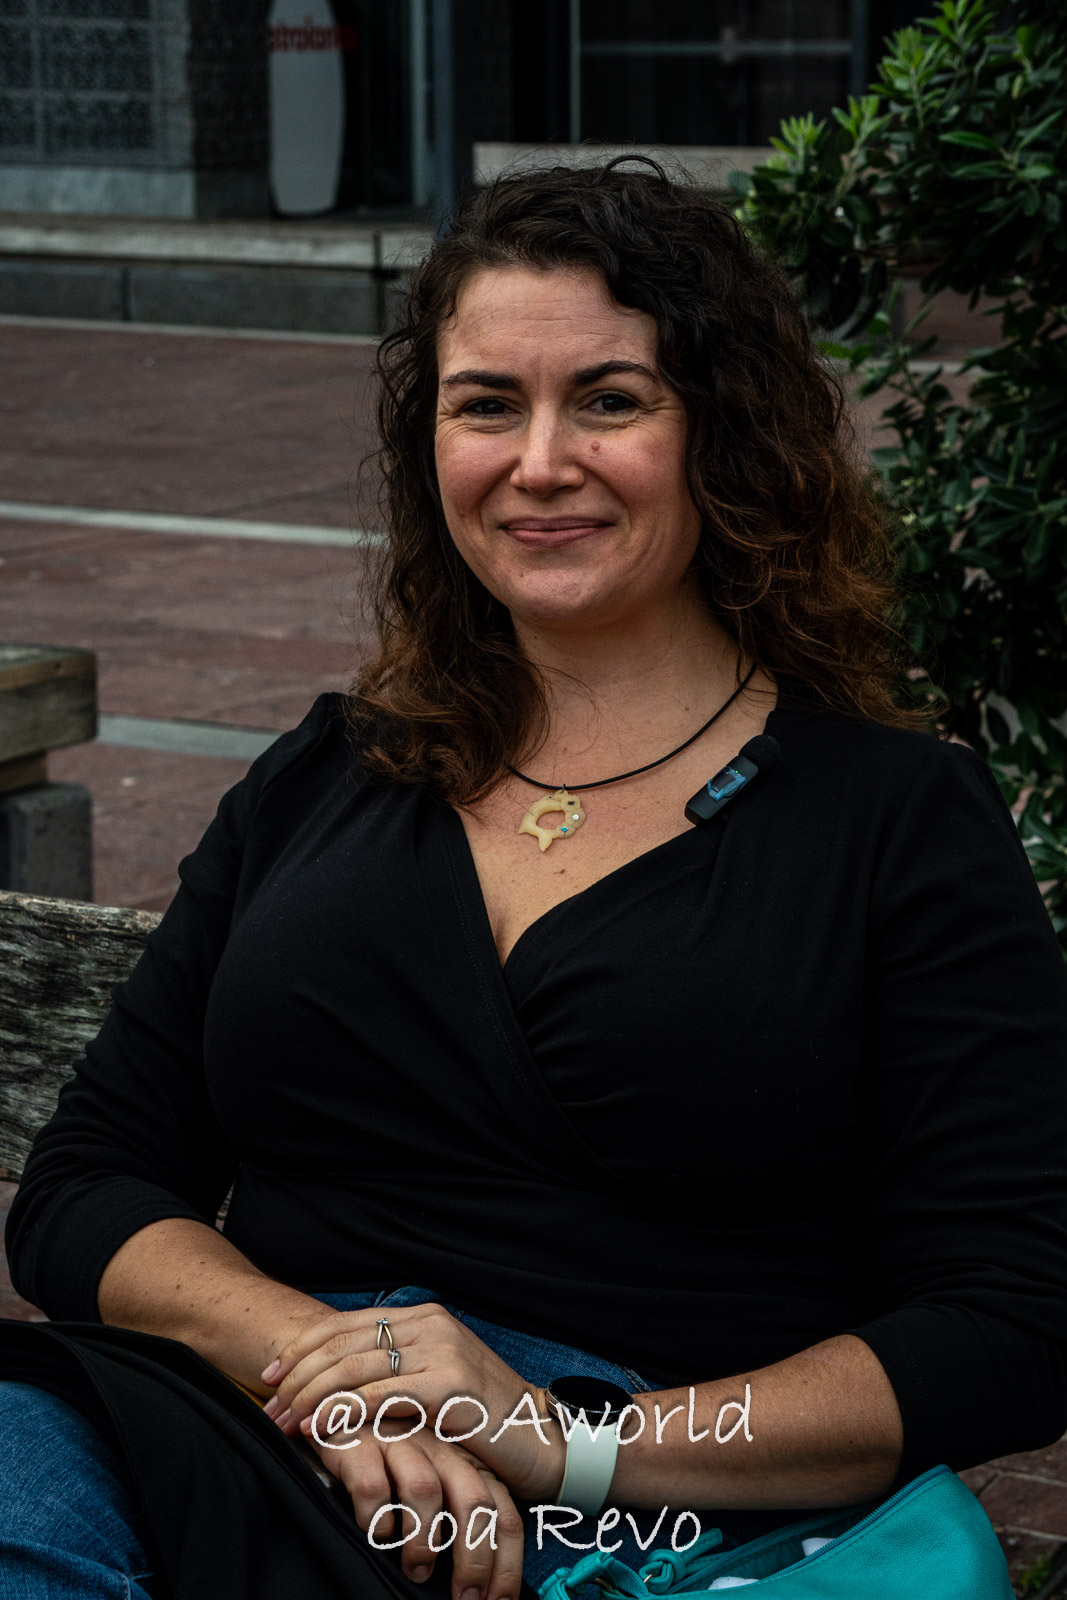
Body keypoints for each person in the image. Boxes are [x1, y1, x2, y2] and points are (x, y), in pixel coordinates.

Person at [3, 158, 1067, 1600]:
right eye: (487, 404)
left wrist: (560, 1440)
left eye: (611, 401)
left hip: (645, 1492)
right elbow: (87, 1180)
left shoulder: (893, 821)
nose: (541, 461)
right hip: (243, 1413)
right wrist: (339, 1375)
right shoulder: (330, 771)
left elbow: (1009, 1326)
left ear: (726, 435)